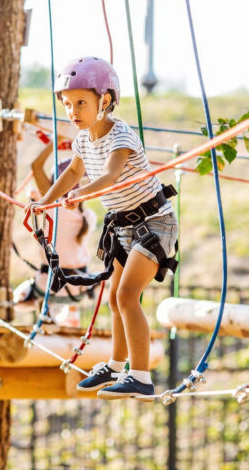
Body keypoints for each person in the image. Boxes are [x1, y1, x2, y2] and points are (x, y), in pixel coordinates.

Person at [24, 56, 178, 400]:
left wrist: (80, 195)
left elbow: (109, 176)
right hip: (124, 224)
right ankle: (116, 364)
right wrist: (45, 201)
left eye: (81, 102)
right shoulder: (81, 140)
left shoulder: (120, 135)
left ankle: (140, 376)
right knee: (114, 297)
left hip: (155, 222)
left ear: (105, 101)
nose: (73, 111)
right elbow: (73, 173)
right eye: (67, 104)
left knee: (127, 296)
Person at [13, 139, 97, 327]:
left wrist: (55, 141)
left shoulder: (51, 205)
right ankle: (71, 312)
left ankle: (47, 311)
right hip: (80, 286)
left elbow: (36, 166)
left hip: (49, 285)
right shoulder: (88, 216)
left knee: (19, 299)